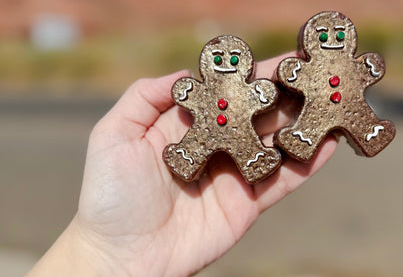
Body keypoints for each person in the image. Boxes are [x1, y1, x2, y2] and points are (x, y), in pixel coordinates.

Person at [27, 54, 337, 277]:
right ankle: (186, 160)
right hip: (204, 131)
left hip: (242, 131)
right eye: (220, 58)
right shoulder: (205, 88)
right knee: (195, 146)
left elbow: (263, 95)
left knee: (248, 148)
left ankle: (254, 161)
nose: (227, 63)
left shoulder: (246, 88)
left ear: (245, 65)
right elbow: (187, 93)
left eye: (233, 58)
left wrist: (262, 92)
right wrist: (106, 250)